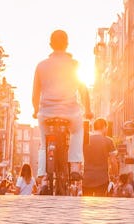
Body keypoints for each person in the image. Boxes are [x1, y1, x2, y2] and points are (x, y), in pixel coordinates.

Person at [33, 30, 92, 178]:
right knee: (77, 131)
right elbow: (83, 90)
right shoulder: (74, 64)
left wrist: (35, 110)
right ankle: (75, 167)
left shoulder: (41, 66)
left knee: (43, 139)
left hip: (46, 113)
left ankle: (43, 175)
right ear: (67, 45)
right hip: (70, 113)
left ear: (50, 45)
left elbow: (35, 92)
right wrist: (88, 109)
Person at [82, 118, 116, 196]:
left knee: (86, 204)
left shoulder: (85, 140)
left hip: (87, 178)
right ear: (104, 127)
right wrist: (115, 175)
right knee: (100, 203)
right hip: (102, 179)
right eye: (106, 128)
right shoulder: (108, 141)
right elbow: (113, 161)